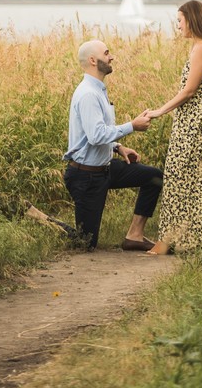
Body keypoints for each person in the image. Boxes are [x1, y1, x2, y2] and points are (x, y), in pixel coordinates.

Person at [63, 38, 161, 251]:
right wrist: (132, 126)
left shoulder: (99, 89)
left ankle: (135, 235)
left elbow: (97, 132)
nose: (111, 56)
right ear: (92, 60)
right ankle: (44, 221)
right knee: (85, 243)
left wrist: (117, 147)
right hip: (86, 176)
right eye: (106, 53)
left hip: (105, 168)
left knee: (154, 177)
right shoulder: (88, 93)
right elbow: (96, 136)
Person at [145, 0, 202, 256]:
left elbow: (189, 90)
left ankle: (170, 240)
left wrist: (160, 110)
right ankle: (188, 238)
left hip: (197, 124)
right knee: (194, 177)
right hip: (196, 121)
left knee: (179, 175)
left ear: (191, 19)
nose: (178, 25)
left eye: (179, 20)